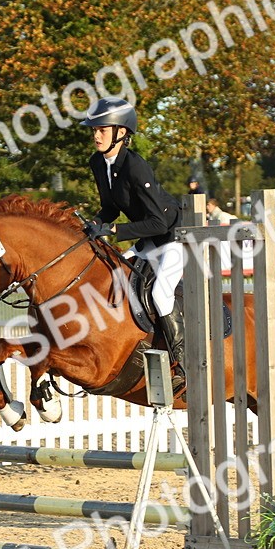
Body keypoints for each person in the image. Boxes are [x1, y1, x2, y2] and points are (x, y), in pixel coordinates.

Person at [80, 97, 186, 379]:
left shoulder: (136, 167)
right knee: (113, 279)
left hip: (175, 239)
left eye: (102, 128)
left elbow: (157, 222)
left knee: (161, 296)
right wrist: (96, 223)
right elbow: (112, 207)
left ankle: (183, 363)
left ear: (122, 132)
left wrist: (115, 232)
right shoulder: (98, 162)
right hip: (148, 241)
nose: (96, 134)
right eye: (94, 129)